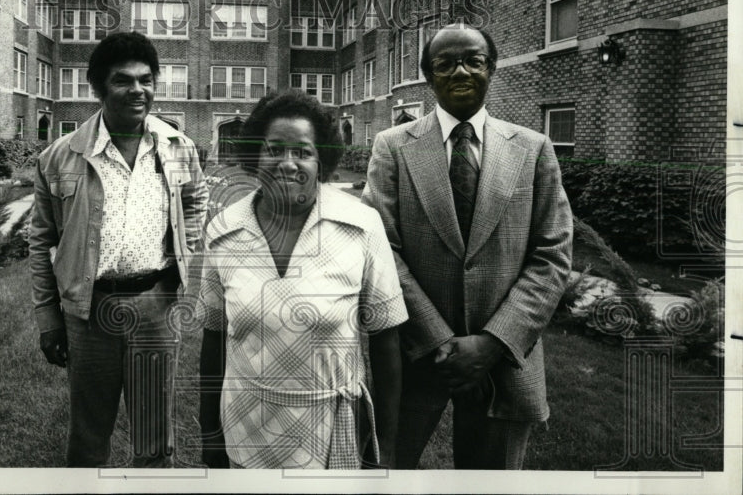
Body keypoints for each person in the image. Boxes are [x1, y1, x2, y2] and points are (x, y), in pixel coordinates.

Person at [361, 24, 573, 469]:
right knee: (386, 474)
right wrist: (440, 341)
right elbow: (380, 250)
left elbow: (552, 254)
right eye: (445, 63)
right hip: (415, 358)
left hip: (505, 362)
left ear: (491, 69)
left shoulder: (533, 149)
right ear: (428, 76)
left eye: (473, 60)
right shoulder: (393, 147)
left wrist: (492, 344)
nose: (461, 71)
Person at [196, 90, 406, 469]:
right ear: (255, 155)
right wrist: (211, 436)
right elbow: (214, 341)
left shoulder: (361, 225)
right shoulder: (224, 229)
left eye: (303, 152)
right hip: (247, 428)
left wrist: (386, 445)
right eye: (274, 149)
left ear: (321, 159)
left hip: (330, 431)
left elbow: (386, 339)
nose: (287, 163)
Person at [29, 31, 209, 467]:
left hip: (156, 305)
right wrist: (49, 318)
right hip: (89, 311)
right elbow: (41, 241)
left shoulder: (177, 147)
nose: (138, 90)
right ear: (98, 88)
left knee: (153, 435)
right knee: (89, 435)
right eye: (123, 81)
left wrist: (182, 246)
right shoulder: (60, 156)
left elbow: (195, 200)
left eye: (146, 79)